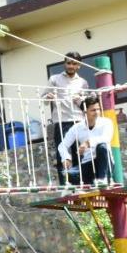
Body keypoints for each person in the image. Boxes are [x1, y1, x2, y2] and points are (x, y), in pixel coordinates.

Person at [43, 52, 88, 184]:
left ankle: (82, 183)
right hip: (61, 122)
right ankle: (66, 186)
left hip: (79, 121)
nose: (70, 66)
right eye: (68, 62)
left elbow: (86, 105)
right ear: (64, 63)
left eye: (74, 63)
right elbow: (44, 99)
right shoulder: (54, 79)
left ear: (79, 66)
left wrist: (79, 100)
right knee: (63, 154)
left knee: (80, 154)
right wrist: (48, 97)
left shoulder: (83, 82)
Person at [59, 95, 114, 185]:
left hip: (105, 165)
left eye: (98, 109)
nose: (97, 112)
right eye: (93, 110)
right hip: (87, 164)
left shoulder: (106, 122)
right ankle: (85, 184)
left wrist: (88, 143)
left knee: (102, 147)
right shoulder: (77, 127)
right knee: (68, 174)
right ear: (85, 112)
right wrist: (66, 158)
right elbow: (62, 145)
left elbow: (106, 138)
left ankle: (102, 179)